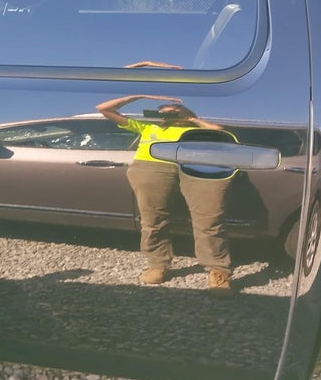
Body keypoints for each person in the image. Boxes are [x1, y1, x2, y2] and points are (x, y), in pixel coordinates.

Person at [96, 94, 233, 294]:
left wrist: (192, 120)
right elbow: (104, 109)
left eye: (174, 110)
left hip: (197, 164)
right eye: (163, 112)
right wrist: (139, 95)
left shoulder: (195, 128)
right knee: (153, 220)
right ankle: (158, 265)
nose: (167, 114)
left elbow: (221, 133)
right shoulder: (148, 126)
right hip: (152, 165)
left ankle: (218, 271)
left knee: (209, 219)